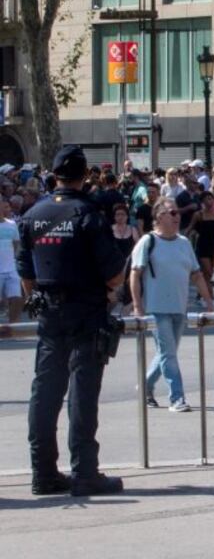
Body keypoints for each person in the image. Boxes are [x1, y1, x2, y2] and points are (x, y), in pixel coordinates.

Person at [16, 145, 127, 496]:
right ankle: (84, 471)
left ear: (54, 175)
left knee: (45, 391)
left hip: (49, 311)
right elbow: (113, 276)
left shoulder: (33, 214)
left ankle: (43, 471)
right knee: (82, 390)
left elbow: (26, 276)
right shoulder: (89, 214)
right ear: (84, 176)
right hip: (86, 311)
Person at [131, 198, 213, 413]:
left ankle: (145, 387)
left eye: (177, 213)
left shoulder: (184, 243)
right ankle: (177, 398)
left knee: (167, 353)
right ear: (159, 216)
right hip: (156, 309)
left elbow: (196, 274)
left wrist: (209, 300)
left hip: (179, 306)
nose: (177, 217)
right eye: (172, 213)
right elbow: (135, 274)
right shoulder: (148, 241)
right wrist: (138, 306)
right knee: (168, 354)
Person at [187, 191, 214, 297]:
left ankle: (201, 292)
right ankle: (211, 297)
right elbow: (189, 229)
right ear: (202, 201)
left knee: (208, 273)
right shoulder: (198, 215)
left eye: (211, 198)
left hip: (213, 245)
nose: (210, 201)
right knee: (209, 272)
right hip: (202, 245)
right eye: (207, 199)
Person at [0, 197, 24, 323]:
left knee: (16, 298)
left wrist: (14, 260)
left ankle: (13, 327)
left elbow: (16, 243)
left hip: (11, 268)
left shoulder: (12, 224)